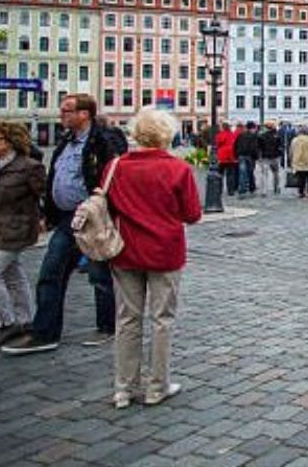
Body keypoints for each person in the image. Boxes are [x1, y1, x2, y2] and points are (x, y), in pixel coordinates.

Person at [2, 94, 125, 355]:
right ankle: (46, 332)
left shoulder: (101, 142)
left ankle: (106, 326)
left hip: (90, 217)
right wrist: (49, 211)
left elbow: (113, 176)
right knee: (52, 272)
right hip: (67, 217)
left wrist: (102, 208)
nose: (62, 115)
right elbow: (55, 176)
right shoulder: (66, 141)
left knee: (97, 274)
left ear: (84, 114)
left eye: (68, 110)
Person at [102, 107, 202, 408]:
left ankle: (123, 388)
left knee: (127, 319)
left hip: (125, 251)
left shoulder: (116, 166)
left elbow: (106, 206)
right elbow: (192, 214)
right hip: (164, 252)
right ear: (167, 135)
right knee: (162, 320)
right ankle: (157, 386)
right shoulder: (177, 169)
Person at [0, 123, 45, 349]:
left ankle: (5, 322)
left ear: (9, 142)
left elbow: (41, 196)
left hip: (17, 229)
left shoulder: (29, 167)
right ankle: (27, 319)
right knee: (13, 274)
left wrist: (41, 218)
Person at [256, 120, 283, 197]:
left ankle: (264, 191)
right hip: (275, 156)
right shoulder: (277, 135)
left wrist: (259, 157)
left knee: (264, 174)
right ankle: (276, 187)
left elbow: (259, 147)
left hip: (265, 157)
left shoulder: (261, 136)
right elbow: (280, 146)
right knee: (276, 173)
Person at [234, 122, 260, 198]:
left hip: (241, 155)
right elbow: (254, 147)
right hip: (250, 156)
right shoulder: (253, 136)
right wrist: (256, 156)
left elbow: (235, 145)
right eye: (254, 128)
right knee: (250, 172)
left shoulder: (241, 135)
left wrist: (236, 155)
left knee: (242, 173)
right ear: (252, 128)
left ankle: (242, 189)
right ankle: (251, 188)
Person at [215, 122, 238, 196]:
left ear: (223, 127)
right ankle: (230, 190)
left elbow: (218, 143)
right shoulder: (232, 134)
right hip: (231, 156)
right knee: (230, 174)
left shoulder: (220, 135)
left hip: (222, 156)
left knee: (219, 174)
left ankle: (219, 190)